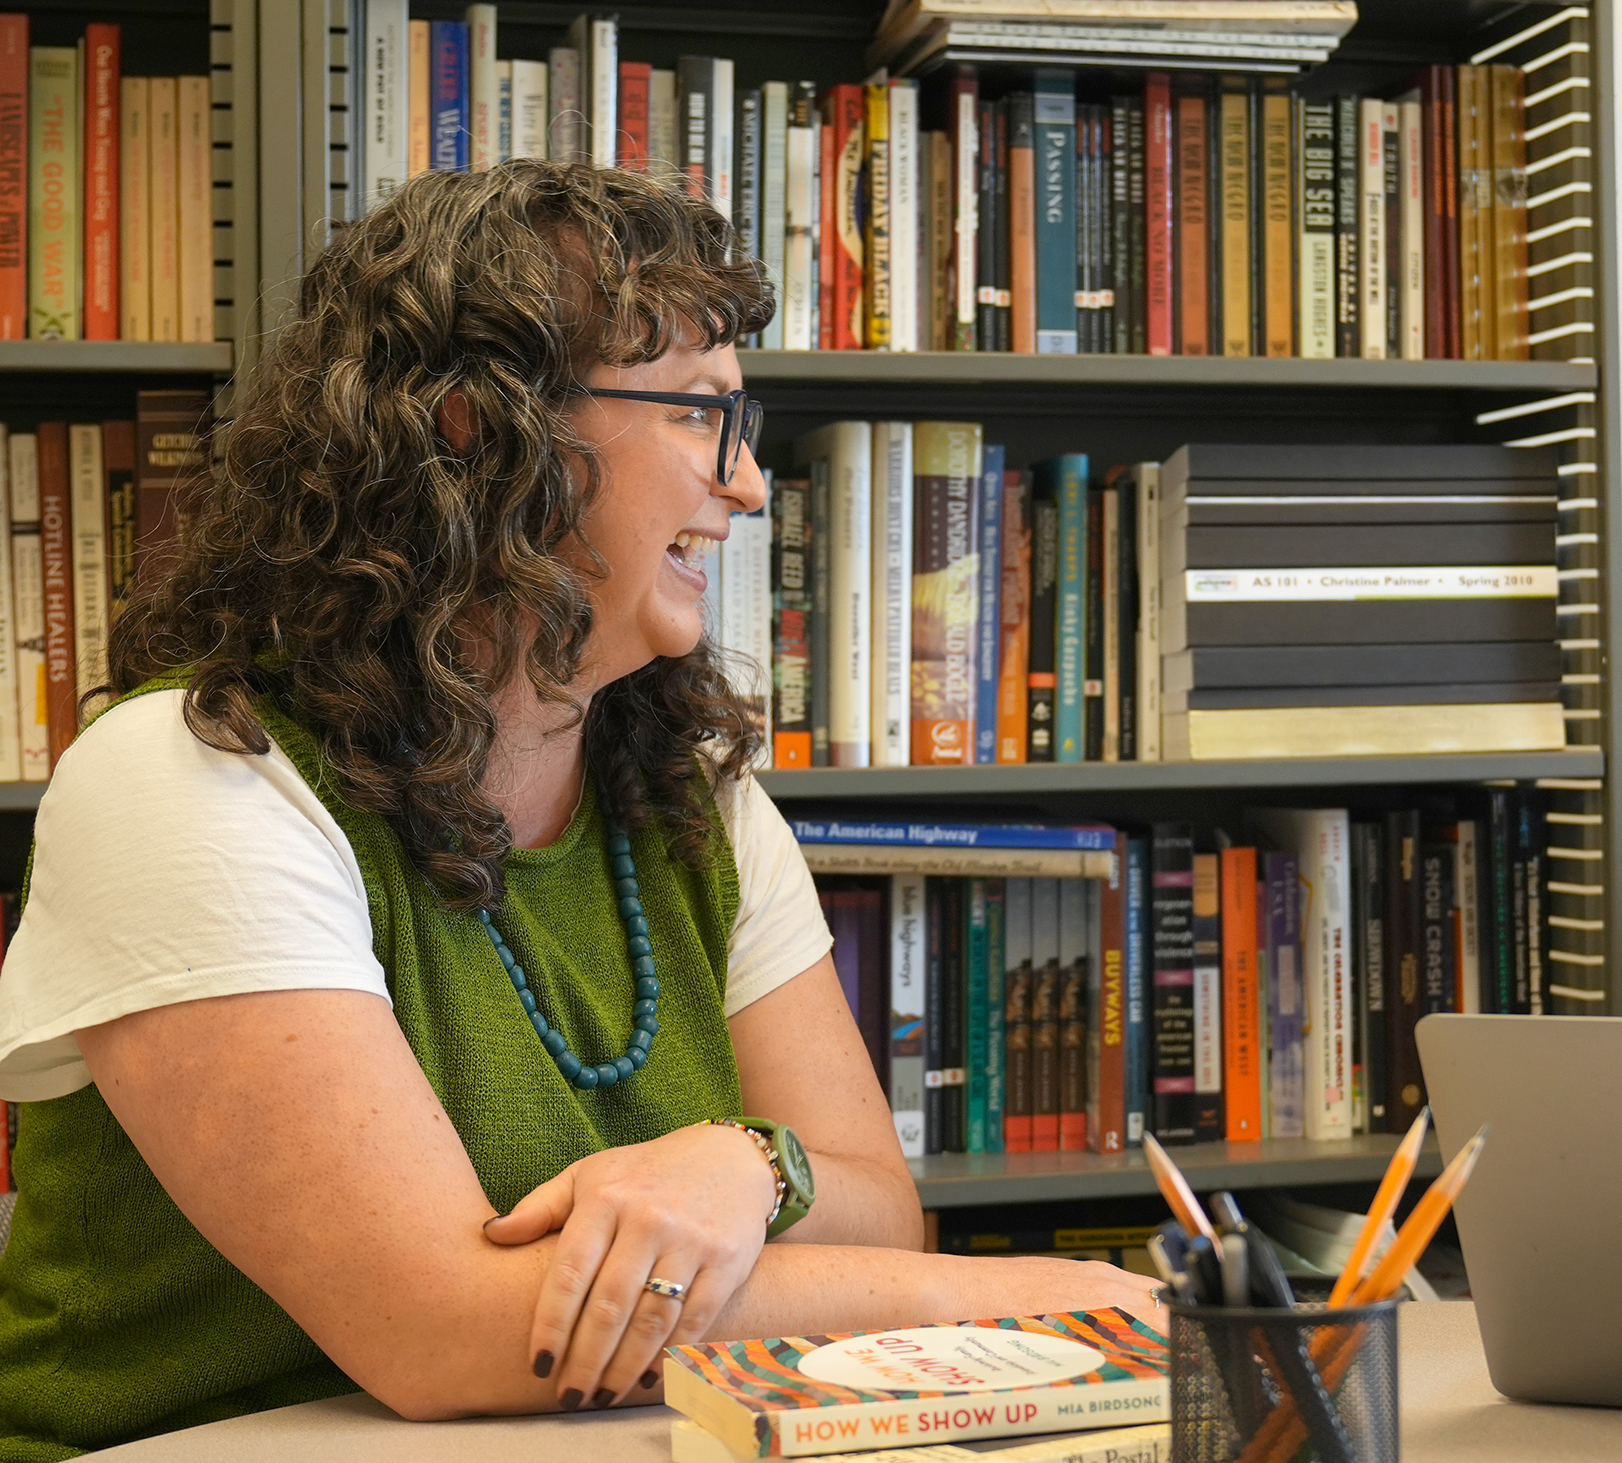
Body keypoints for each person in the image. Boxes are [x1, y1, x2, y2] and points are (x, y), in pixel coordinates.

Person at [0, 162, 1158, 1457]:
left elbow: (878, 1207)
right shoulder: (189, 774)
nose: (749, 486)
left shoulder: (696, 798)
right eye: (699, 414)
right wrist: (1002, 1301)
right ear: (471, 425)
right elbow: (446, 1329)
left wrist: (745, 1163)